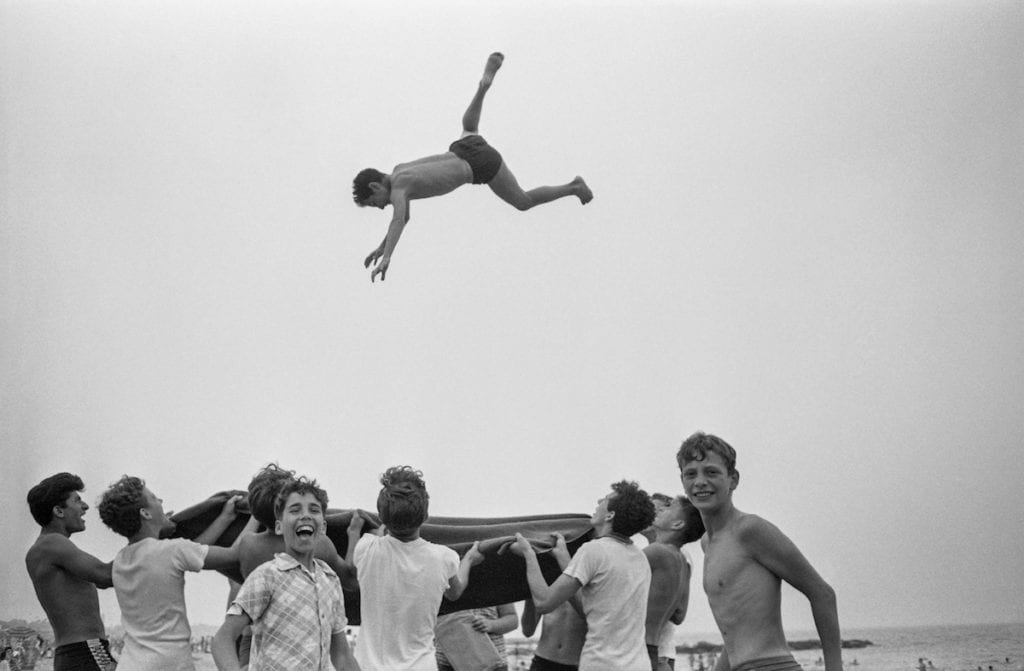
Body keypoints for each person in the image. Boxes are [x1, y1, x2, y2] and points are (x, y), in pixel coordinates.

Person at [353, 52, 594, 282]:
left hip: (478, 165)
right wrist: (382, 246)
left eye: (375, 202)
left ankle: (574, 187)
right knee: (469, 127)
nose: (381, 207)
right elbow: (403, 217)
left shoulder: (398, 189)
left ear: (375, 186)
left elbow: (397, 220)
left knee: (523, 201)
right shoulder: (400, 169)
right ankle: (483, 86)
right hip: (464, 146)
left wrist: (387, 258)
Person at [676, 433, 842, 671]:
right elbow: (736, 633)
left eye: (711, 472)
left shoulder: (749, 530)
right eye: (691, 474)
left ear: (733, 479)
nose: (700, 481)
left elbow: (823, 594)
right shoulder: (707, 543)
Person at [210, 477, 360, 671]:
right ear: (279, 526)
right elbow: (222, 640)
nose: (305, 515)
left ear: (323, 527)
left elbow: (342, 654)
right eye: (295, 510)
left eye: (314, 510)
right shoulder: (266, 576)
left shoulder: (330, 579)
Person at [97, 475, 245, 671]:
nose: (161, 501)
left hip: (130, 663)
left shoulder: (121, 559)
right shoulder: (172, 551)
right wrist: (258, 516)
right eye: (154, 498)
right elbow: (235, 554)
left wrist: (225, 518)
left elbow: (196, 549)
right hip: (169, 664)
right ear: (145, 513)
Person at [513, 480, 655, 671]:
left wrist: (529, 554)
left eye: (605, 500)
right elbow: (591, 607)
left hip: (601, 664)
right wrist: (564, 558)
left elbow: (544, 603)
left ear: (610, 515)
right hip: (638, 664)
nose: (599, 501)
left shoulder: (594, 550)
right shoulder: (639, 557)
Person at [351, 465, 484, 670]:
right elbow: (455, 593)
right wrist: (468, 561)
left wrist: (353, 531)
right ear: (425, 515)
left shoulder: (367, 548)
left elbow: (351, 569)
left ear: (382, 516)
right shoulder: (444, 558)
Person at [25, 473, 118, 671]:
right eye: (77, 500)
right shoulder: (52, 543)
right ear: (58, 510)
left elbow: (102, 580)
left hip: (79, 651)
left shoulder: (46, 547)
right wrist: (147, 540)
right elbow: (105, 575)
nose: (84, 507)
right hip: (88, 650)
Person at [643, 496, 704, 671]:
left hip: (640, 649)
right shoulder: (679, 556)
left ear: (677, 524)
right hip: (657, 652)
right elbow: (679, 614)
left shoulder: (656, 552)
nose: (658, 512)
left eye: (666, 508)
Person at [435, 603, 518, 671]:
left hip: (493, 663)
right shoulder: (442, 583)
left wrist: (492, 625)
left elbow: (513, 619)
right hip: (447, 662)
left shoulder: (498, 584)